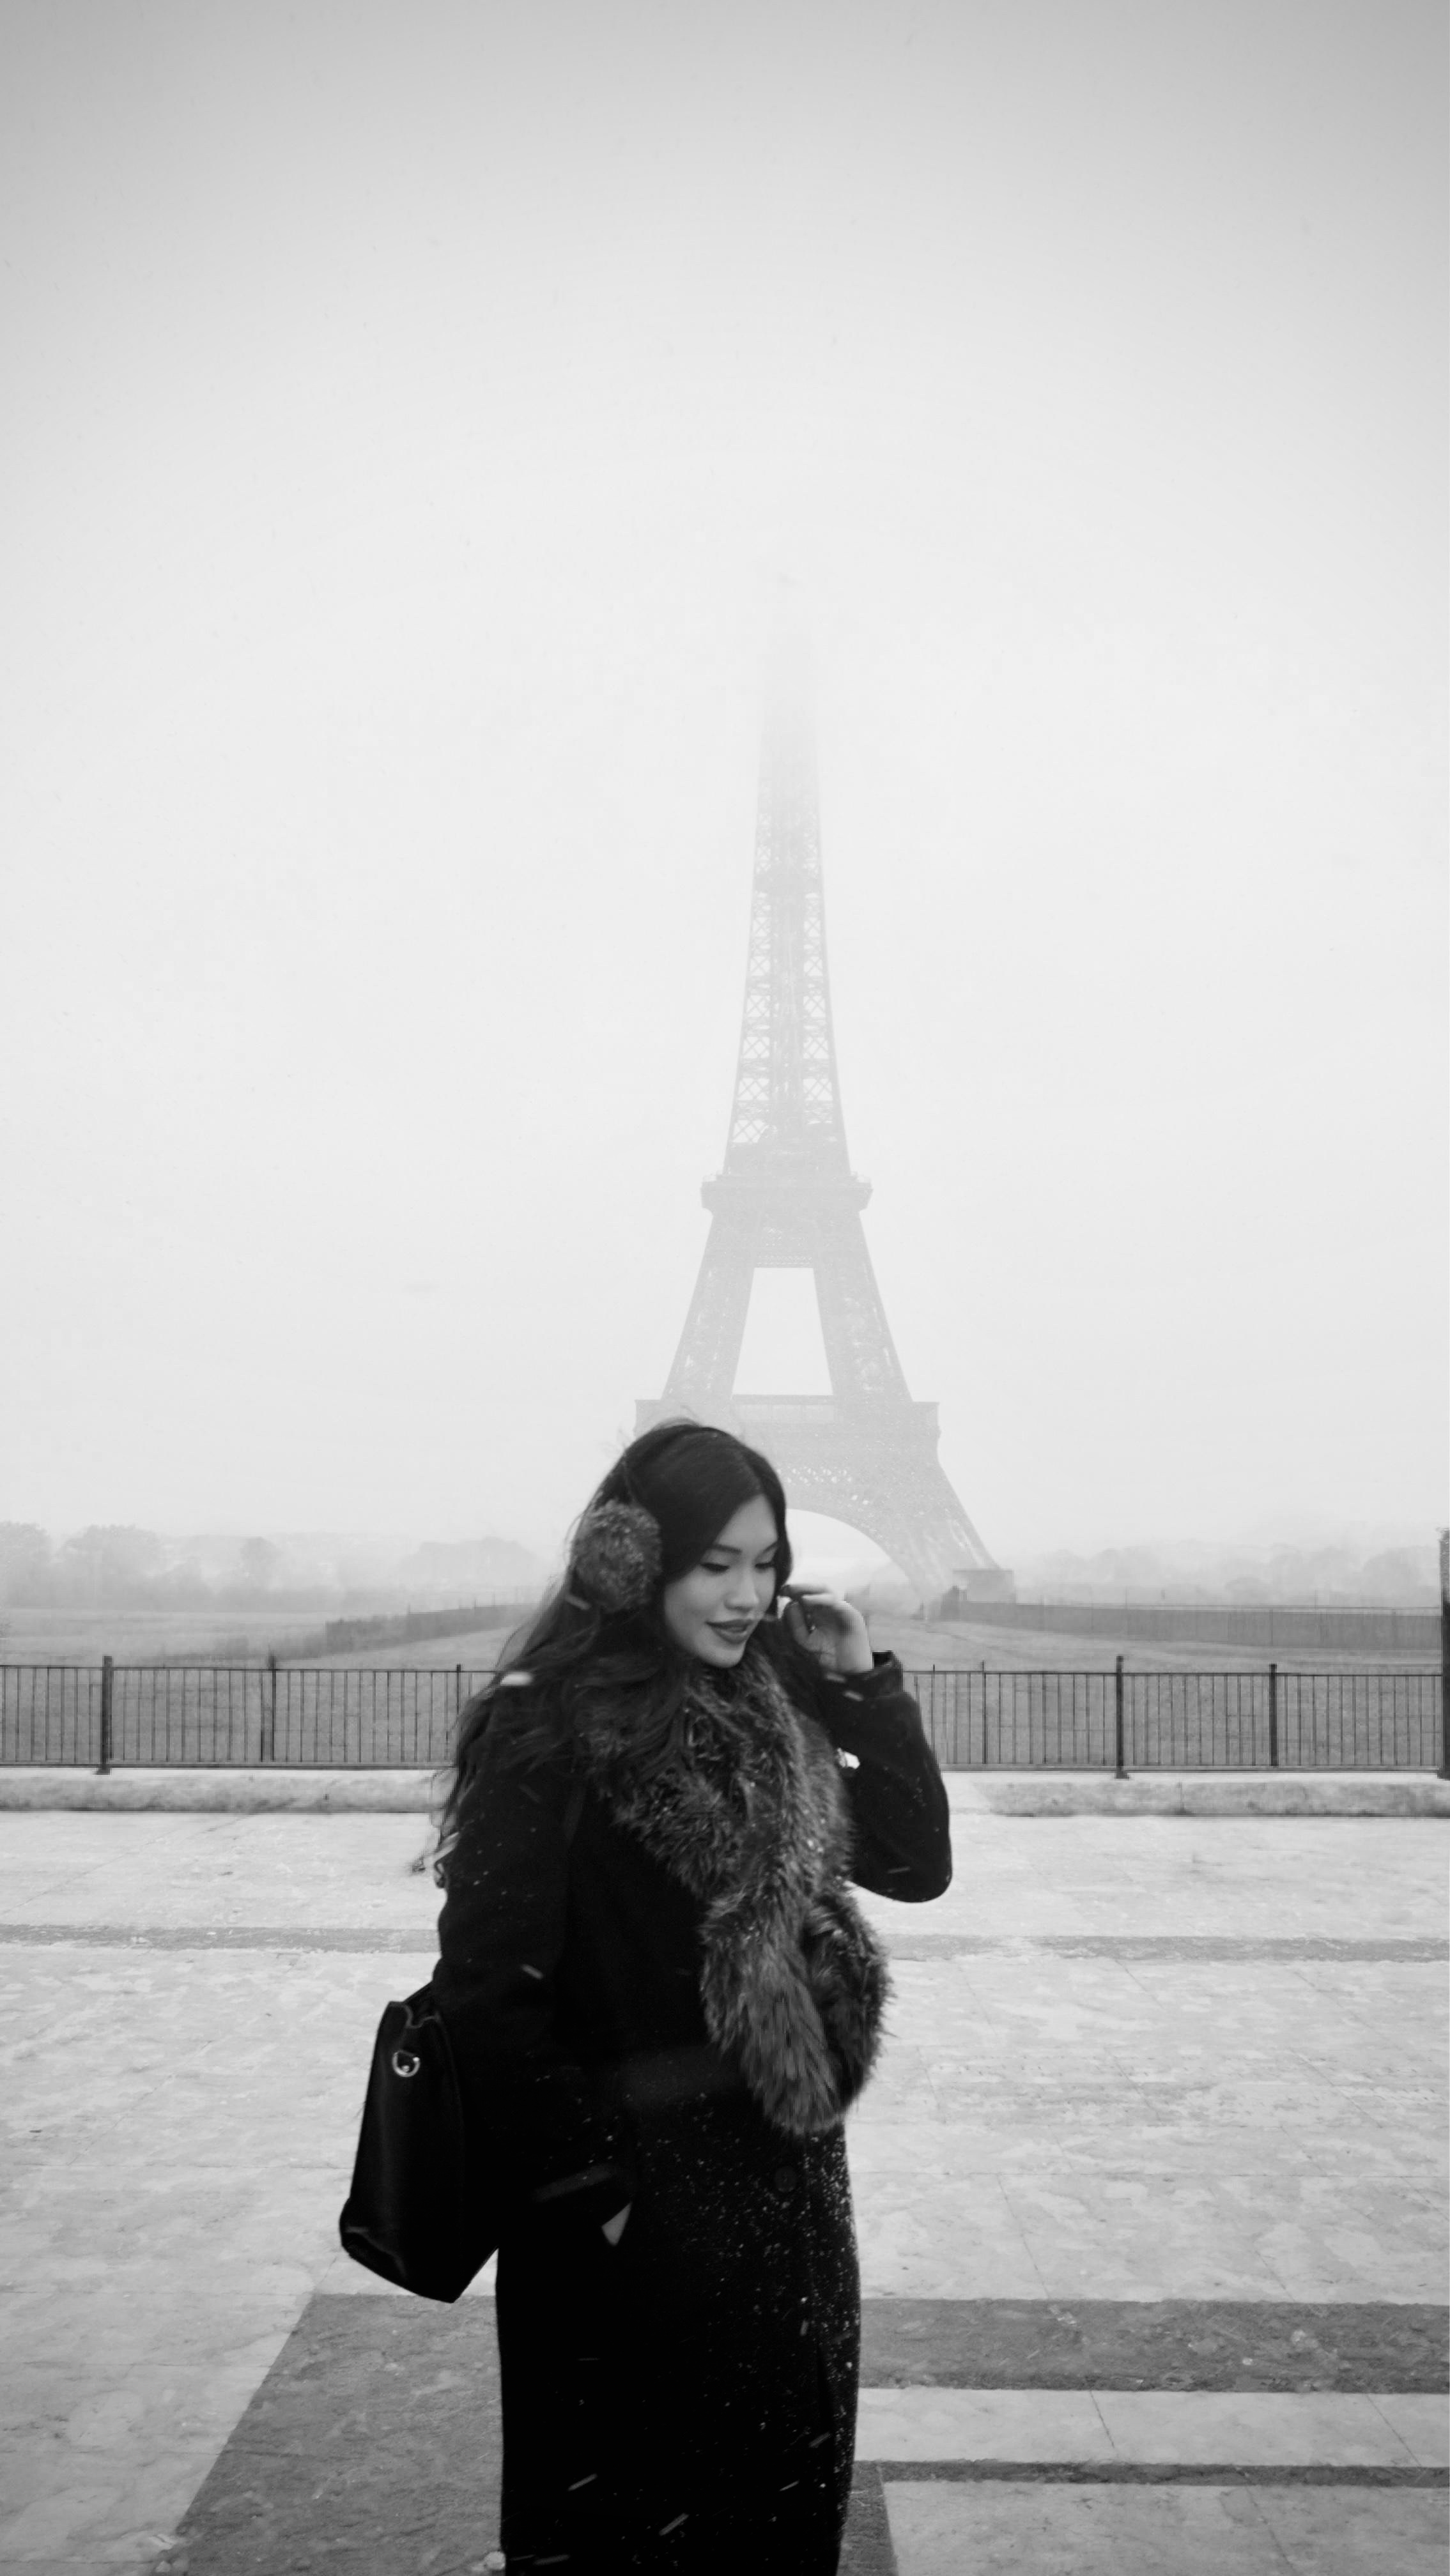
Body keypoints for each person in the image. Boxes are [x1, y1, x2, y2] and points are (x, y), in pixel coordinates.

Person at [431, 1420, 952, 2573]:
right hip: (628, 2207)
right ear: (632, 1559)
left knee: (774, 2517)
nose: (743, 1594)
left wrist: (862, 1685)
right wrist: (590, 2193)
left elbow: (915, 1865)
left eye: (763, 1564)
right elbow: (485, 1995)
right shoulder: (547, 1728)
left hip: (783, 2183)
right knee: (630, 2528)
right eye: (713, 1564)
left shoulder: (779, 1700)